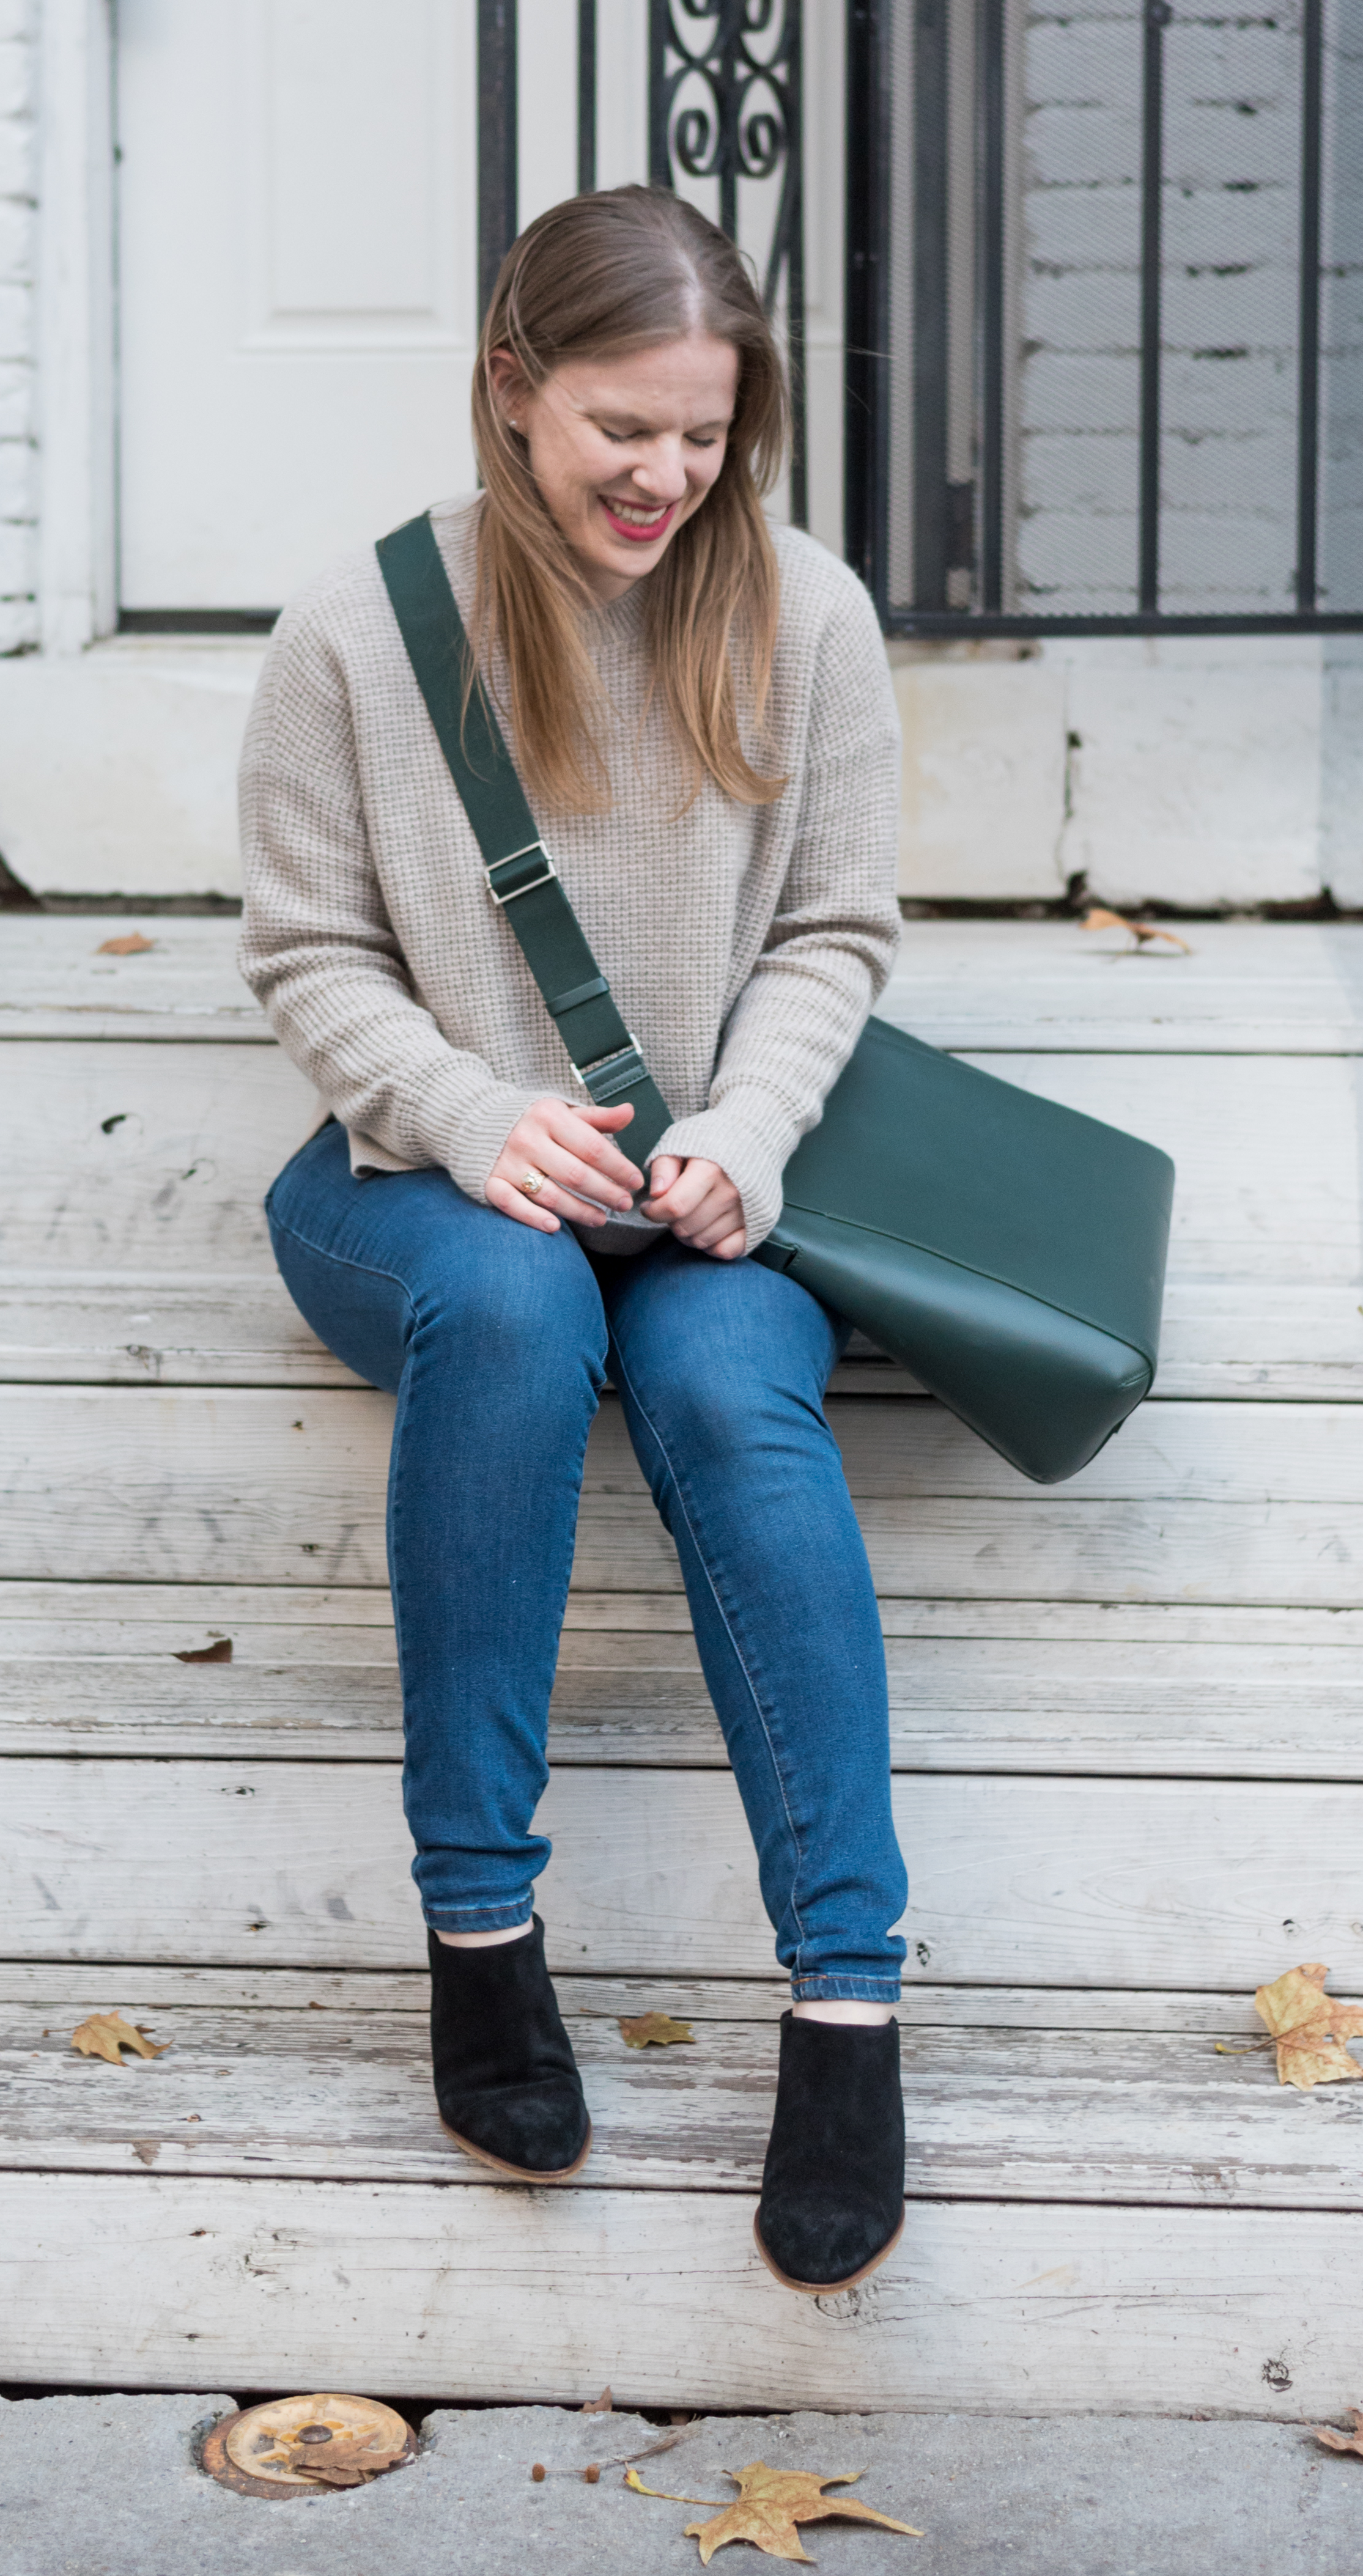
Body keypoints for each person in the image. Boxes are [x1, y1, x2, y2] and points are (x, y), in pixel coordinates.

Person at [236, 182, 908, 2294]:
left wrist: (741, 1128)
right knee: (518, 1305)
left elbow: (831, 936)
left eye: (705, 434)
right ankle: (479, 1932)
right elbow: (309, 952)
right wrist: (465, 1112)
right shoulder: (362, 629)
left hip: (701, 1190)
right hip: (420, 1194)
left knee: (720, 1375)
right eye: (624, 425)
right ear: (512, 391)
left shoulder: (803, 617)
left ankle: (850, 2007)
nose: (664, 475)